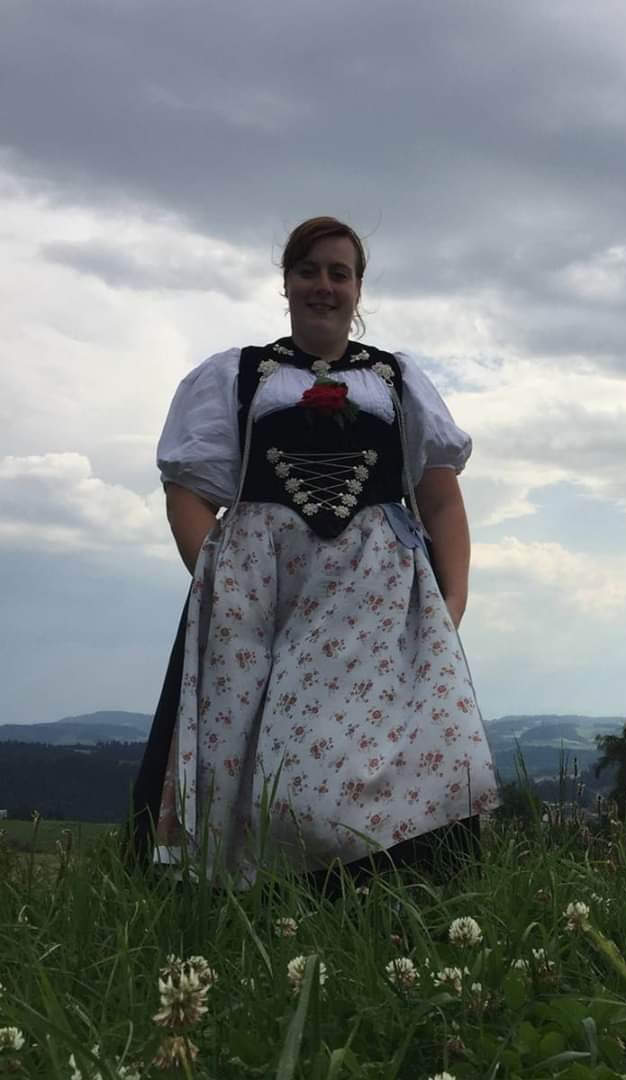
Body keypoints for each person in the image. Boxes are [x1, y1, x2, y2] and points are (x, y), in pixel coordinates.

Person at [128, 216, 499, 891]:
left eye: (339, 273)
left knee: (384, 747)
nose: (323, 285)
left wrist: (452, 599)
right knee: (262, 749)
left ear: (358, 288)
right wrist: (222, 583)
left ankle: (382, 894)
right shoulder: (237, 375)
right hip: (263, 594)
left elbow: (441, 500)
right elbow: (187, 491)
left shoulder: (396, 381)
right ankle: (261, 894)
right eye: (308, 271)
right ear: (286, 282)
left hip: (377, 595)